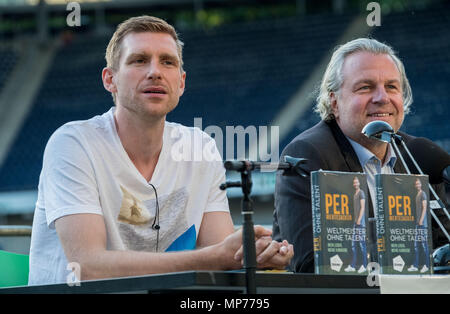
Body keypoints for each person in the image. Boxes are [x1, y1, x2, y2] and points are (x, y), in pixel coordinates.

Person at [28, 15, 293, 285]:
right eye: (139, 60)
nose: (155, 71)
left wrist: (253, 255)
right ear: (110, 80)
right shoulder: (73, 143)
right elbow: (87, 267)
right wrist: (217, 256)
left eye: (168, 62)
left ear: (181, 82)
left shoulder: (201, 147)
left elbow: (221, 252)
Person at [272, 37, 449, 273]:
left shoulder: (419, 155)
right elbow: (310, 262)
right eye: (365, 87)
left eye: (391, 87)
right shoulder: (308, 155)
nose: (382, 98)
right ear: (334, 102)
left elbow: (443, 246)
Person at [344, 177, 368, 273]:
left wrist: (359, 219)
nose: (355, 184)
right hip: (356, 222)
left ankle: (365, 265)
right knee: (353, 244)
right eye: (354, 182)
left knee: (362, 244)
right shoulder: (355, 194)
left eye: (356, 182)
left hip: (360, 223)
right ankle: (353, 266)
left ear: (359, 183)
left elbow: (363, 207)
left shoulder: (361, 193)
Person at [407, 178, 430, 273]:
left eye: (418, 183)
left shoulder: (423, 194)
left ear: (421, 184)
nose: (417, 185)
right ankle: (416, 266)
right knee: (416, 245)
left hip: (422, 224)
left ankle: (427, 265)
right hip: (418, 224)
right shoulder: (417, 194)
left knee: (424, 245)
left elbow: (425, 208)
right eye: (416, 184)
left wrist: (421, 220)